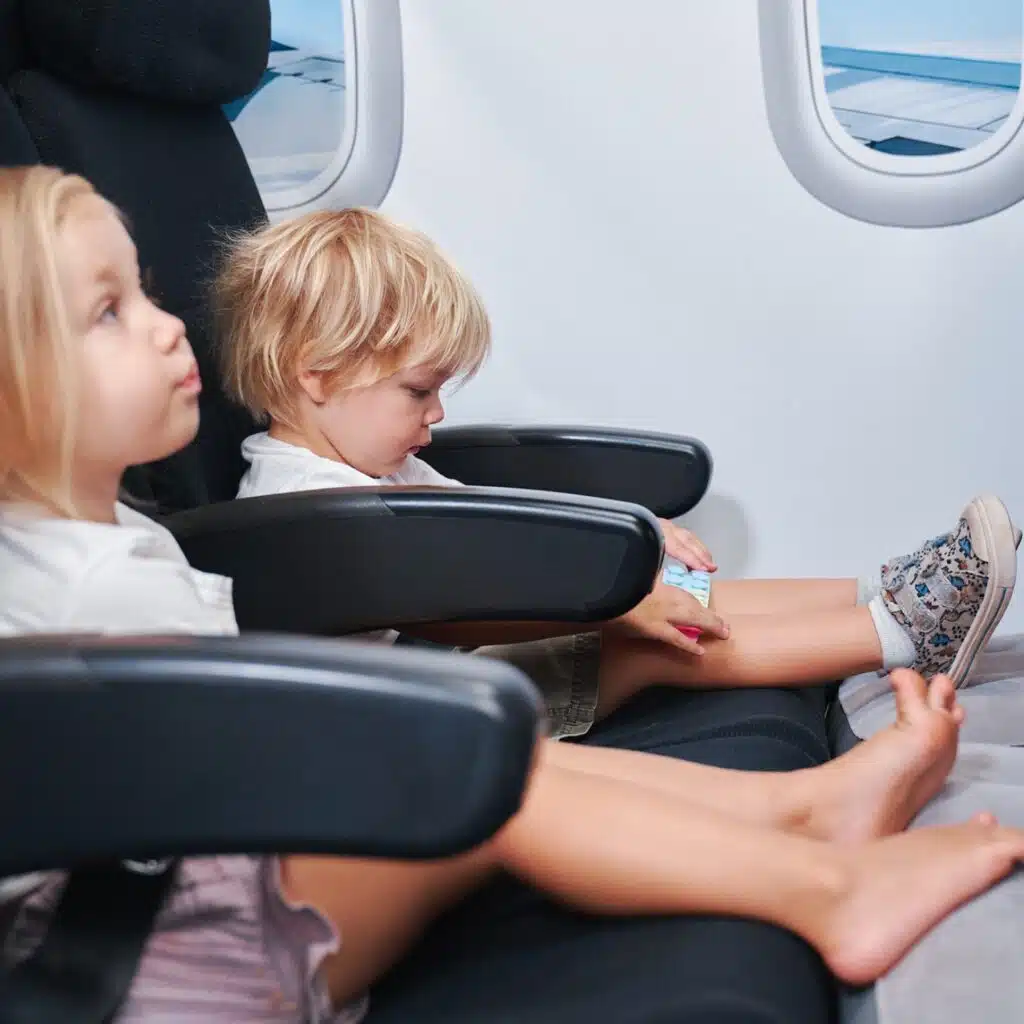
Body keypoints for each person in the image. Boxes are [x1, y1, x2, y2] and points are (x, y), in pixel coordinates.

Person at [1, 165, 1023, 1021]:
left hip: (196, 895)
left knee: (491, 750)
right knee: (477, 760)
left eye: (143, 292)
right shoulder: (65, 594)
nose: (170, 326)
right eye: (109, 312)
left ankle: (806, 805)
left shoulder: (109, 542)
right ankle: (828, 881)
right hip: (165, 958)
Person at [214, 207, 1018, 740]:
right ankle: (899, 637)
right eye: (419, 391)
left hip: (454, 667)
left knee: (695, 596)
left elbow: (490, 528)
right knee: (661, 642)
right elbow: (456, 603)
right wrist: (620, 604)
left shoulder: (364, 464)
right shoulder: (302, 507)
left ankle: (886, 589)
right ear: (316, 374)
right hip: (426, 714)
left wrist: (626, 546)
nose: (438, 417)